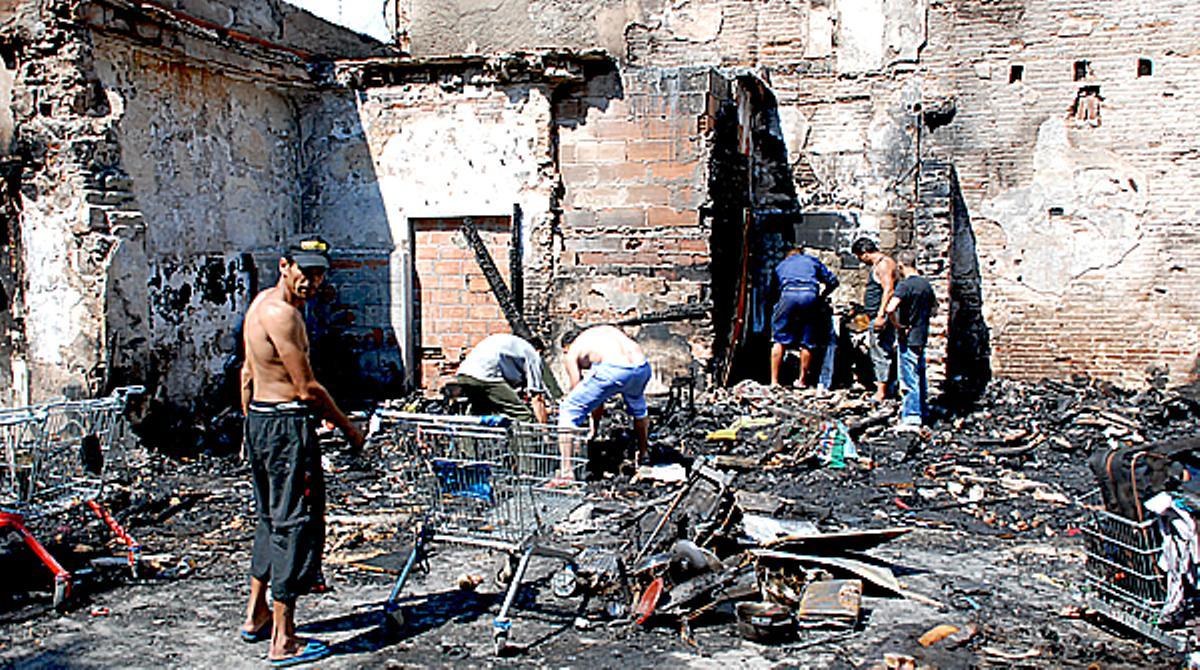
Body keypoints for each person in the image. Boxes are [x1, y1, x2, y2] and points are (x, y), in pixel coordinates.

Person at [238, 235, 365, 667]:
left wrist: (250, 428)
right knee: (294, 523)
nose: (312, 280)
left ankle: (255, 616)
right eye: (305, 271)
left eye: (319, 272)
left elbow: (247, 374)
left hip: (260, 419)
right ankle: (283, 638)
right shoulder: (285, 316)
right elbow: (307, 389)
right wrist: (351, 429)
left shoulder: (258, 306)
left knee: (269, 518)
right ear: (284, 265)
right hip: (285, 424)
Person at [557, 325, 652, 478]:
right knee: (639, 410)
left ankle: (566, 473)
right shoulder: (603, 333)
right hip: (642, 367)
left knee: (569, 409)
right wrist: (594, 429)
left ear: (566, 347)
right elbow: (596, 397)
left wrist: (576, 432)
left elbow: (578, 393)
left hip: (614, 369)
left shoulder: (572, 351)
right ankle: (643, 454)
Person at [769, 246, 839, 387]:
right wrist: (822, 296)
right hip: (810, 295)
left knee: (779, 339)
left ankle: (774, 381)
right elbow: (833, 281)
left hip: (787, 295)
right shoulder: (812, 261)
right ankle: (801, 381)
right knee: (807, 341)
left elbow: (772, 291)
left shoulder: (781, 265)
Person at [454, 333, 560, 423]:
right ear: (539, 351)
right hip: (486, 376)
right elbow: (536, 397)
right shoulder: (533, 354)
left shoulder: (515, 345)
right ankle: (522, 447)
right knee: (522, 414)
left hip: (463, 373)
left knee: (479, 414)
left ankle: (468, 446)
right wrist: (544, 431)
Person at [885, 250, 936, 429]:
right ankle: (923, 410)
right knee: (920, 374)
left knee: (908, 377)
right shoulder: (926, 285)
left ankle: (912, 416)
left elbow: (890, 308)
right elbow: (934, 310)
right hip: (921, 335)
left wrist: (897, 325)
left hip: (907, 336)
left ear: (900, 266)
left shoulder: (904, 286)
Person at [851, 237, 898, 402]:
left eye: (859, 257)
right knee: (880, 350)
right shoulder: (881, 264)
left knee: (879, 352)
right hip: (875, 315)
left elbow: (888, 290)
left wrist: (880, 315)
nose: (861, 261)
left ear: (864, 253)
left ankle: (881, 392)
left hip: (880, 317)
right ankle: (886, 387)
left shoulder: (883, 264)